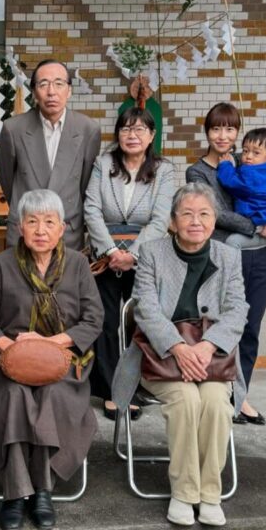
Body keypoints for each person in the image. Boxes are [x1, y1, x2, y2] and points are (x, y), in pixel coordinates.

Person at [112, 183, 248, 528]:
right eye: (186, 214)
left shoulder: (228, 256)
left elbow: (237, 310)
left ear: (214, 221)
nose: (195, 221)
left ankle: (210, 494)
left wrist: (205, 346)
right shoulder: (153, 253)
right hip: (160, 359)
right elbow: (145, 309)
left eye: (204, 214)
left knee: (217, 402)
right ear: (172, 221)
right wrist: (178, 347)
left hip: (211, 359)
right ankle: (185, 494)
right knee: (186, 400)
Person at [0, 189, 103, 530]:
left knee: (52, 397)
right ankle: (15, 494)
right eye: (32, 222)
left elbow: (93, 318)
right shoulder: (2, 264)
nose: (40, 230)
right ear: (20, 227)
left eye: (49, 222)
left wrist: (47, 346)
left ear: (63, 228)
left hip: (64, 359)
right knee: (14, 398)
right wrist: (15, 350)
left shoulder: (77, 264)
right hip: (8, 359)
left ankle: (42, 490)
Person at [186, 103, 266, 426]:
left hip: (257, 255)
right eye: (216, 129)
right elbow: (216, 215)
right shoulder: (198, 172)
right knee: (222, 327)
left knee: (251, 328)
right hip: (221, 256)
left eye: (230, 129)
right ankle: (219, 393)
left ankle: (240, 396)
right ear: (207, 132)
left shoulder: (250, 162)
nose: (223, 135)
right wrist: (261, 226)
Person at [83, 106, 174, 420]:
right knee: (105, 322)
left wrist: (131, 254)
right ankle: (111, 389)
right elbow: (91, 210)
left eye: (139, 130)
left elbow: (161, 219)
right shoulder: (103, 163)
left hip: (145, 257)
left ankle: (138, 384)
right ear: (117, 134)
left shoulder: (164, 170)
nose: (132, 135)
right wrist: (110, 252)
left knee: (140, 323)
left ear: (151, 136)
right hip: (104, 256)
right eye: (125, 129)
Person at [0, 58, 101, 250]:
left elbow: (86, 183)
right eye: (43, 84)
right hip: (25, 230)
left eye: (59, 84)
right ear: (34, 92)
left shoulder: (88, 129)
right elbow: (7, 180)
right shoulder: (13, 129)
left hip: (67, 229)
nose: (51, 92)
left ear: (69, 90)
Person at [216, 128, 266, 249]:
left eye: (256, 153)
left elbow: (230, 182)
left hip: (258, 215)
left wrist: (225, 165)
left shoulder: (251, 173)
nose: (248, 156)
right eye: (245, 151)